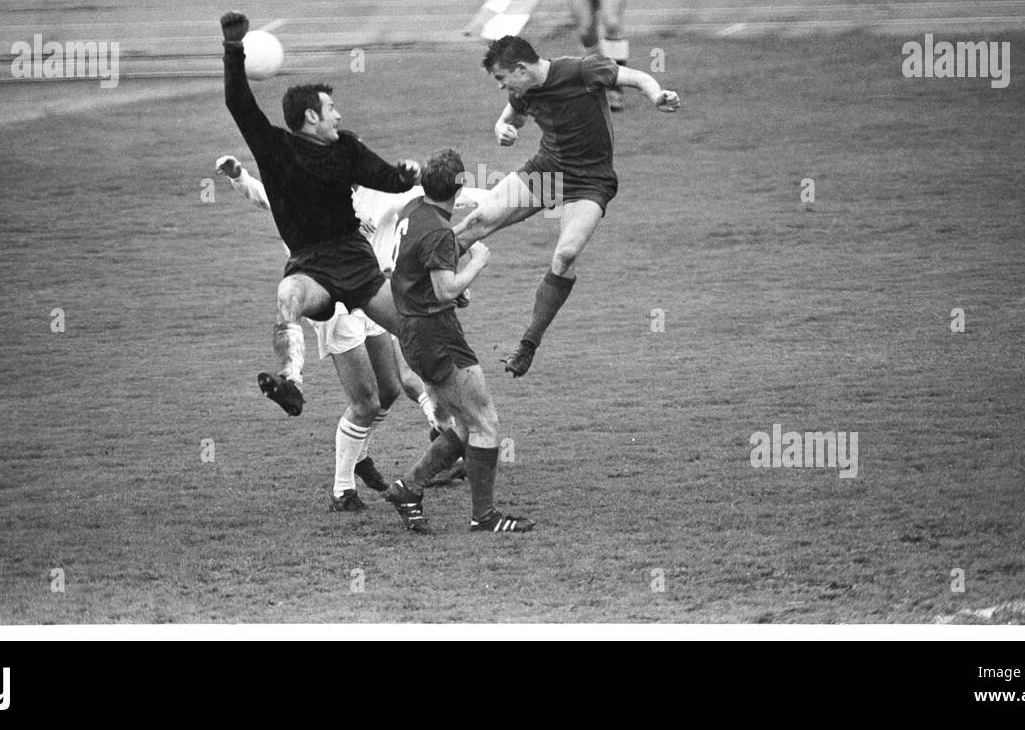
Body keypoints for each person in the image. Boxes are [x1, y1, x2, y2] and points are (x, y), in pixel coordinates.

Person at [216, 155, 484, 509]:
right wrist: (240, 176)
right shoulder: (305, 201)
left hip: (368, 293)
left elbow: (446, 194)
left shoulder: (381, 195)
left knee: (389, 389)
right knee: (365, 400)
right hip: (333, 305)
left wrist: (525, 194)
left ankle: (366, 453)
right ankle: (343, 490)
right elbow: (263, 195)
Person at [220, 11, 420, 421]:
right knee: (287, 296)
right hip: (311, 266)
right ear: (311, 116)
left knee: (416, 330)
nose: (339, 116)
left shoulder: (345, 148)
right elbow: (238, 102)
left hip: (355, 260)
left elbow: (383, 177)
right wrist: (233, 49)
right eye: (332, 109)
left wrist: (404, 176)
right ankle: (291, 381)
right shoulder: (274, 148)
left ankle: (452, 404)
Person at [453, 35, 680, 378]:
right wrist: (502, 127)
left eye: (501, 78)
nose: (502, 87)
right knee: (477, 221)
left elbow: (636, 78)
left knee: (566, 255)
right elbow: (509, 117)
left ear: (521, 68)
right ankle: (428, 284)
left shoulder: (584, 69)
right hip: (547, 171)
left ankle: (528, 343)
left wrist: (657, 95)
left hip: (590, 180)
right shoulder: (522, 89)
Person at [384, 148, 535, 534]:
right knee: (486, 422)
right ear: (460, 187)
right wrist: (476, 264)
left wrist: (449, 289)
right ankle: (483, 517)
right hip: (436, 336)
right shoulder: (437, 230)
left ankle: (409, 488)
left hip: (416, 331)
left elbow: (412, 269)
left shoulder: (412, 210)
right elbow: (445, 288)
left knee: (468, 423)